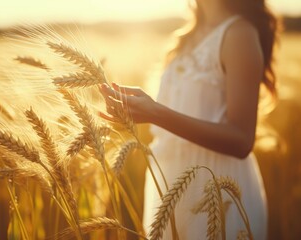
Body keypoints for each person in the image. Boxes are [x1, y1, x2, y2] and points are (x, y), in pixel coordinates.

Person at [100, 0, 280, 239]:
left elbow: (242, 139)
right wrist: (133, 112)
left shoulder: (239, 34)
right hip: (170, 184)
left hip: (216, 189)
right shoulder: (186, 36)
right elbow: (179, 110)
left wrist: (155, 113)